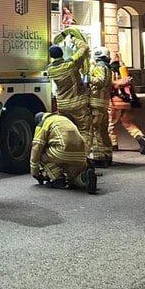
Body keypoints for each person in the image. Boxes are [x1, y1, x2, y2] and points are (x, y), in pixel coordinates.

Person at [46, 26, 92, 159]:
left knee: (69, 132)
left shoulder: (50, 70)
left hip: (62, 105)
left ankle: (69, 157)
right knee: (84, 130)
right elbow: (85, 48)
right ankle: (83, 159)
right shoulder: (70, 64)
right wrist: (73, 38)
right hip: (78, 104)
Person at [30, 111, 97, 194]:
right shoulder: (64, 119)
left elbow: (37, 147)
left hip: (62, 151)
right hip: (80, 153)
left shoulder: (43, 123)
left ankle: (58, 179)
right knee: (72, 177)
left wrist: (35, 172)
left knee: (40, 153)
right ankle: (84, 178)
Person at [109, 59, 145, 154]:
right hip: (127, 103)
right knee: (129, 124)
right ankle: (141, 138)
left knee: (110, 124)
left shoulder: (112, 74)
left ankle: (113, 144)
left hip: (114, 103)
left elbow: (110, 86)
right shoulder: (126, 74)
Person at [88, 46, 114, 167]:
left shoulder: (99, 67)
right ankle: (108, 155)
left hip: (96, 102)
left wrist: (88, 78)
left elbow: (100, 81)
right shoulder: (108, 68)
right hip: (103, 103)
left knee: (95, 130)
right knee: (104, 131)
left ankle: (99, 158)